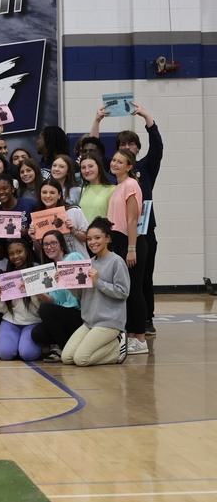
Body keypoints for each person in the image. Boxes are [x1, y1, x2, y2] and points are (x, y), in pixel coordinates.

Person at [93, 102, 163, 334]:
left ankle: (145, 322)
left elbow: (158, 147)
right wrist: (98, 121)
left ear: (136, 149)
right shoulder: (115, 176)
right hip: (120, 237)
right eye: (122, 144)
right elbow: (94, 153)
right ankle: (129, 326)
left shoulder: (142, 170)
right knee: (126, 284)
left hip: (141, 234)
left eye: (130, 143)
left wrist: (146, 116)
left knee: (143, 280)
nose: (126, 147)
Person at [61, 217, 131, 366]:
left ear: (107, 238)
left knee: (81, 359)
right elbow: (81, 295)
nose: (92, 242)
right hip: (89, 321)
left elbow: (123, 292)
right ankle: (109, 346)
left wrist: (98, 282)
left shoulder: (116, 262)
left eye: (97, 238)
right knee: (67, 357)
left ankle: (117, 347)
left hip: (109, 322)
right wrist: (67, 283)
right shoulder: (89, 263)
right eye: (89, 239)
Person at [107, 148, 148, 355]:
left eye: (120, 162)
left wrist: (131, 249)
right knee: (127, 291)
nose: (114, 164)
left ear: (129, 166)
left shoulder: (131, 185)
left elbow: (132, 220)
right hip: (119, 242)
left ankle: (140, 337)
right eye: (113, 160)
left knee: (135, 291)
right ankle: (131, 335)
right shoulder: (119, 186)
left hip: (131, 243)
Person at [30, 230, 85, 362]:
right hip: (65, 315)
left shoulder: (73, 257)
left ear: (61, 244)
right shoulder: (51, 270)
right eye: (45, 244)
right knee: (37, 334)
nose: (49, 247)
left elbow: (85, 284)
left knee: (45, 309)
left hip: (80, 313)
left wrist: (66, 278)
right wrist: (35, 291)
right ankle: (69, 346)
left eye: (53, 243)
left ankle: (65, 349)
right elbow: (54, 301)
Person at [0, 239, 41, 361]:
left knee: (27, 354)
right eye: (11, 254)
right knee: (5, 353)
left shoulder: (37, 271)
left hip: (33, 321)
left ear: (27, 252)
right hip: (11, 321)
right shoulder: (6, 275)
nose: (15, 256)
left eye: (19, 252)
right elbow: (2, 310)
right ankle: (16, 344)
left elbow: (43, 307)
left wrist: (31, 291)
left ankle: (22, 344)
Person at [36, 178, 88, 258]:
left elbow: (87, 238)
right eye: (44, 192)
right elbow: (39, 251)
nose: (48, 196)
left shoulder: (74, 211)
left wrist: (74, 231)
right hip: (54, 266)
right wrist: (34, 239)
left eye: (52, 193)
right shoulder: (38, 219)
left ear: (59, 195)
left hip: (78, 263)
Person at [78, 154, 114, 228]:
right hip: (84, 237)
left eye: (90, 166)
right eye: (83, 167)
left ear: (99, 167)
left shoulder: (113, 190)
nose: (87, 170)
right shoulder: (82, 190)